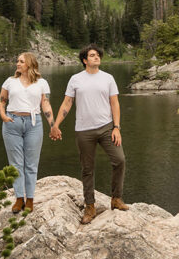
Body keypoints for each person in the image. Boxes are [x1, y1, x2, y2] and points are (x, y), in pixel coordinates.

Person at [50, 44, 127, 224]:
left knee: (119, 160)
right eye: (92, 56)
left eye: (97, 55)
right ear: (85, 60)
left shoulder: (108, 78)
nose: (96, 57)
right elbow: (67, 103)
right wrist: (55, 125)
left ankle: (116, 199)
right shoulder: (76, 79)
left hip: (107, 127)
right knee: (87, 168)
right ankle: (89, 206)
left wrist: (117, 127)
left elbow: (114, 103)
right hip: (84, 130)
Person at [0, 52, 54, 214]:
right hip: (12, 123)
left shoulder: (42, 83)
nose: (17, 63)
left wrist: (53, 125)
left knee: (31, 164)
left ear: (29, 64)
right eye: (17, 61)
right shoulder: (10, 81)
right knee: (15, 164)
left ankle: (29, 199)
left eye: (21, 61)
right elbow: (2, 101)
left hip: (33, 124)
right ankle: (18, 199)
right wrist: (3, 116)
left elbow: (46, 105)